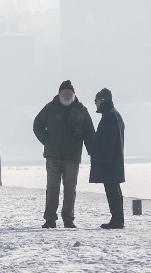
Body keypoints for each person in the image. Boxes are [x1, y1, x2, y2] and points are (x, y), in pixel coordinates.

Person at [33, 80, 95, 228]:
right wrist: (47, 140)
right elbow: (37, 125)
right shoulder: (50, 108)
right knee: (52, 188)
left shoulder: (81, 110)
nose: (67, 95)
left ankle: (68, 218)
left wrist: (93, 152)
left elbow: (89, 133)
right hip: (53, 155)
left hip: (72, 157)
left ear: (74, 94)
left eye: (69, 93)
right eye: (64, 92)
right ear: (59, 93)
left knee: (70, 189)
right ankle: (50, 219)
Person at [90, 88, 126, 229]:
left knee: (112, 190)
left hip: (109, 161)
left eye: (96, 100)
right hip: (113, 160)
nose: (95, 103)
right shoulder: (114, 115)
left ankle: (117, 220)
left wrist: (105, 160)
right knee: (114, 189)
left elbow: (109, 141)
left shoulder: (109, 116)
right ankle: (118, 219)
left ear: (103, 100)